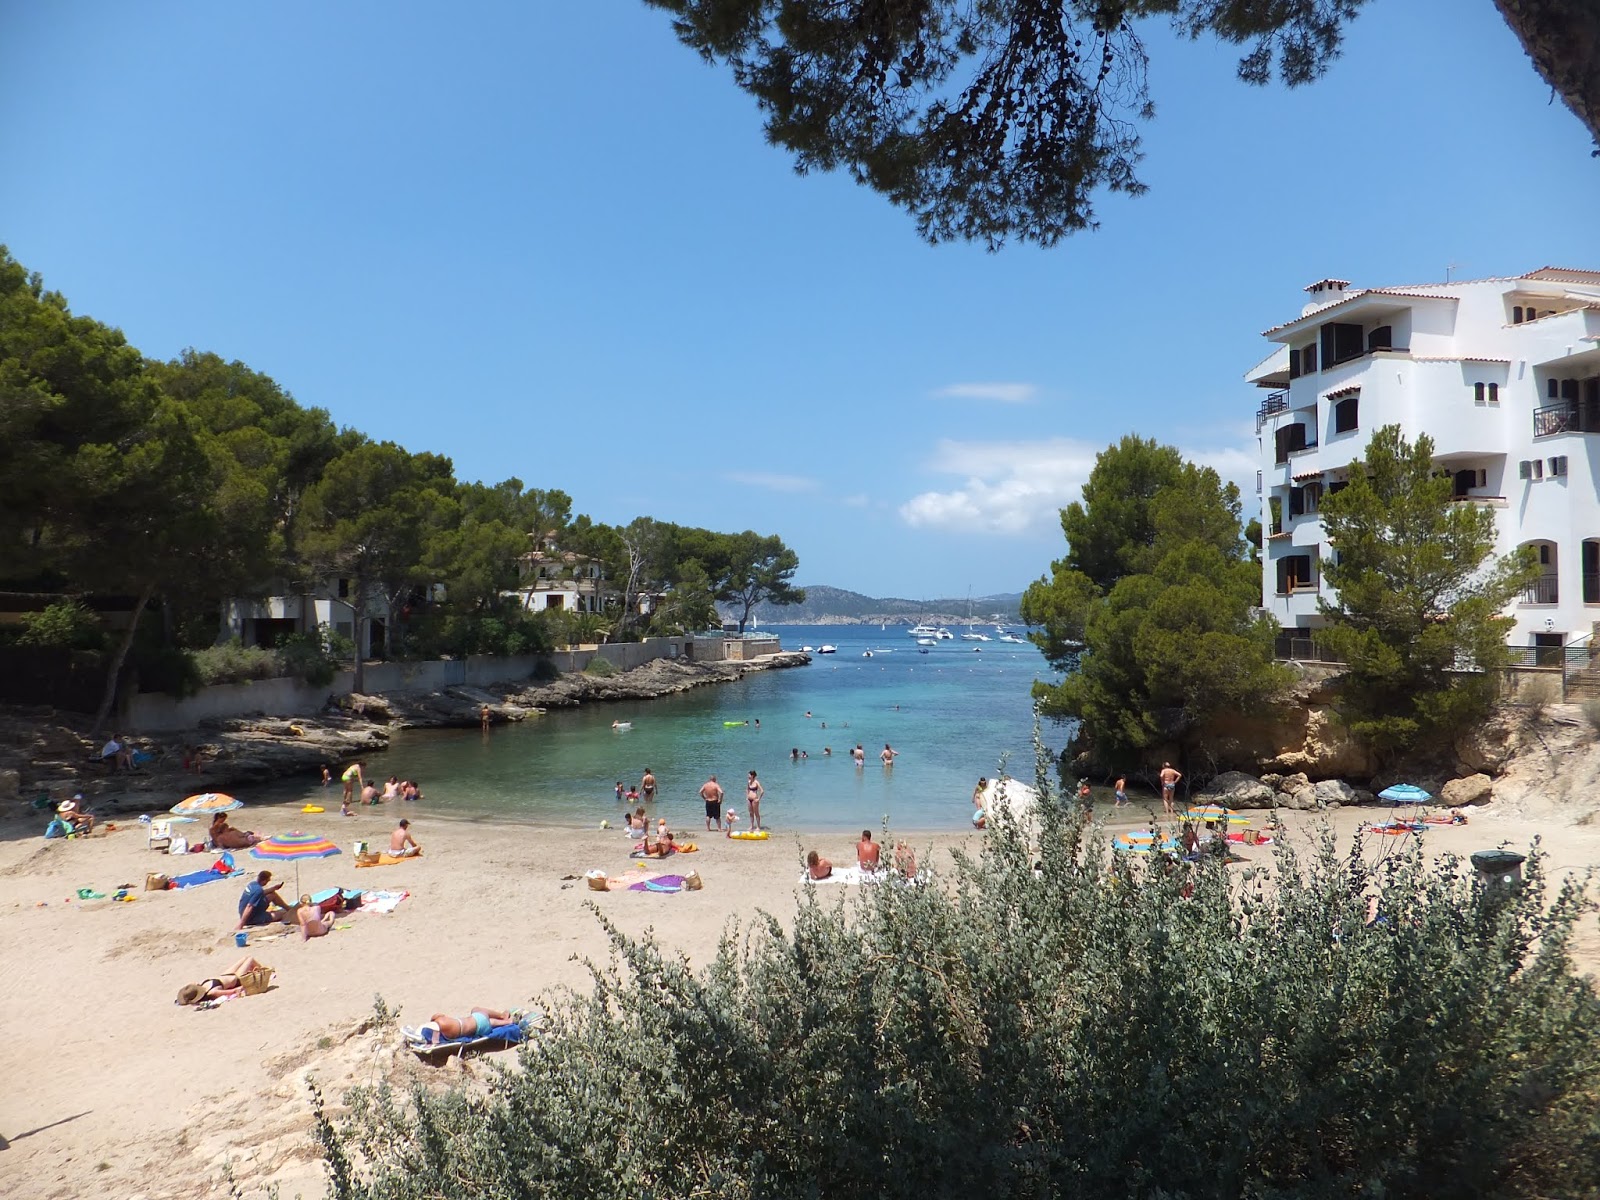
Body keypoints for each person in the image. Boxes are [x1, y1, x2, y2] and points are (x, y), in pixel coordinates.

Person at [175, 955, 268, 1006]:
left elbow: (191, 986)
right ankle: (264, 971)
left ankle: (262, 970)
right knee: (249, 959)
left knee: (245, 958)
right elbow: (232, 991)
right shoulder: (210, 990)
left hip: (226, 976)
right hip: (236, 978)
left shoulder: (204, 987)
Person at [423, 1006, 517, 1040]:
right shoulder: (442, 1021)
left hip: (481, 1029)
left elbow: (435, 1040)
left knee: (489, 1022)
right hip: (479, 1020)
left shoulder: (448, 1035)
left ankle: (506, 1022)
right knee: (476, 1009)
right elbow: (438, 1015)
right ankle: (502, 1016)